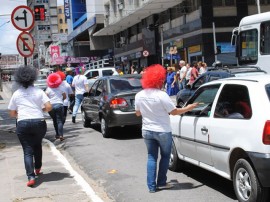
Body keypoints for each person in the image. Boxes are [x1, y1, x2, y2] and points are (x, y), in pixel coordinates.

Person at [135, 64, 198, 193]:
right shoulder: (162, 95)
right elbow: (174, 112)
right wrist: (189, 108)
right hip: (163, 130)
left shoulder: (139, 95)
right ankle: (162, 182)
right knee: (164, 157)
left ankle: (151, 187)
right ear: (159, 80)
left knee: (151, 157)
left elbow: (137, 113)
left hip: (147, 130)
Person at [8, 66, 52, 187]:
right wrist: (40, 109)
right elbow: (49, 107)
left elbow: (12, 113)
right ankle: (38, 168)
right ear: (33, 79)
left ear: (20, 80)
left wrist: (21, 116)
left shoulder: (17, 93)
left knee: (27, 151)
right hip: (39, 121)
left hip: (23, 123)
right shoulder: (39, 91)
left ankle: (31, 177)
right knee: (37, 145)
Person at [46, 73, 66, 141]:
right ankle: (61, 135)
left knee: (55, 120)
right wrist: (61, 100)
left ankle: (57, 134)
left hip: (51, 106)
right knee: (59, 121)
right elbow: (64, 96)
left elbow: (45, 96)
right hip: (59, 104)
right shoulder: (60, 87)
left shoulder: (48, 89)